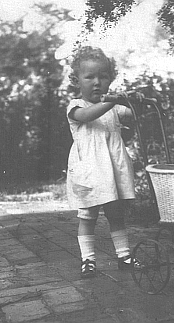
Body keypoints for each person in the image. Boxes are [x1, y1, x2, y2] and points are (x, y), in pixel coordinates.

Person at [65, 46, 137, 278]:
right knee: (88, 216)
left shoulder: (115, 108)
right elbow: (88, 116)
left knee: (116, 214)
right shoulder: (76, 107)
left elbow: (131, 119)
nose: (97, 82)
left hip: (113, 170)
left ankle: (124, 256)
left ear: (110, 79)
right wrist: (114, 101)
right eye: (89, 77)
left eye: (103, 76)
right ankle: (88, 260)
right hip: (90, 171)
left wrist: (135, 103)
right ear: (77, 81)